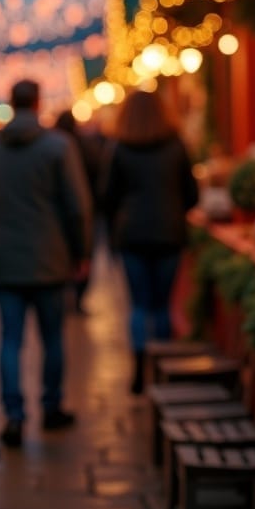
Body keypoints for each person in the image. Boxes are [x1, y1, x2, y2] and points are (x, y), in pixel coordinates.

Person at [0, 79, 91, 448]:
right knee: (52, 337)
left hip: (5, 260)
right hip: (50, 258)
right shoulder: (58, 147)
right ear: (38, 103)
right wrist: (81, 252)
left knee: (10, 339)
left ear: (11, 102)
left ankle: (13, 415)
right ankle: (51, 406)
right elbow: (77, 206)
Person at [101, 88, 199, 395]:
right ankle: (163, 366)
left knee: (139, 305)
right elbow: (192, 195)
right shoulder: (176, 145)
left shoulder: (120, 148)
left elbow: (108, 197)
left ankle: (139, 368)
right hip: (168, 233)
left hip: (132, 235)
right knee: (162, 305)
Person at [53, 110, 104, 313]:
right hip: (86, 209)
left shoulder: (56, 148)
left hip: (60, 214)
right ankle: (77, 296)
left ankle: (67, 294)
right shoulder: (83, 147)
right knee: (84, 255)